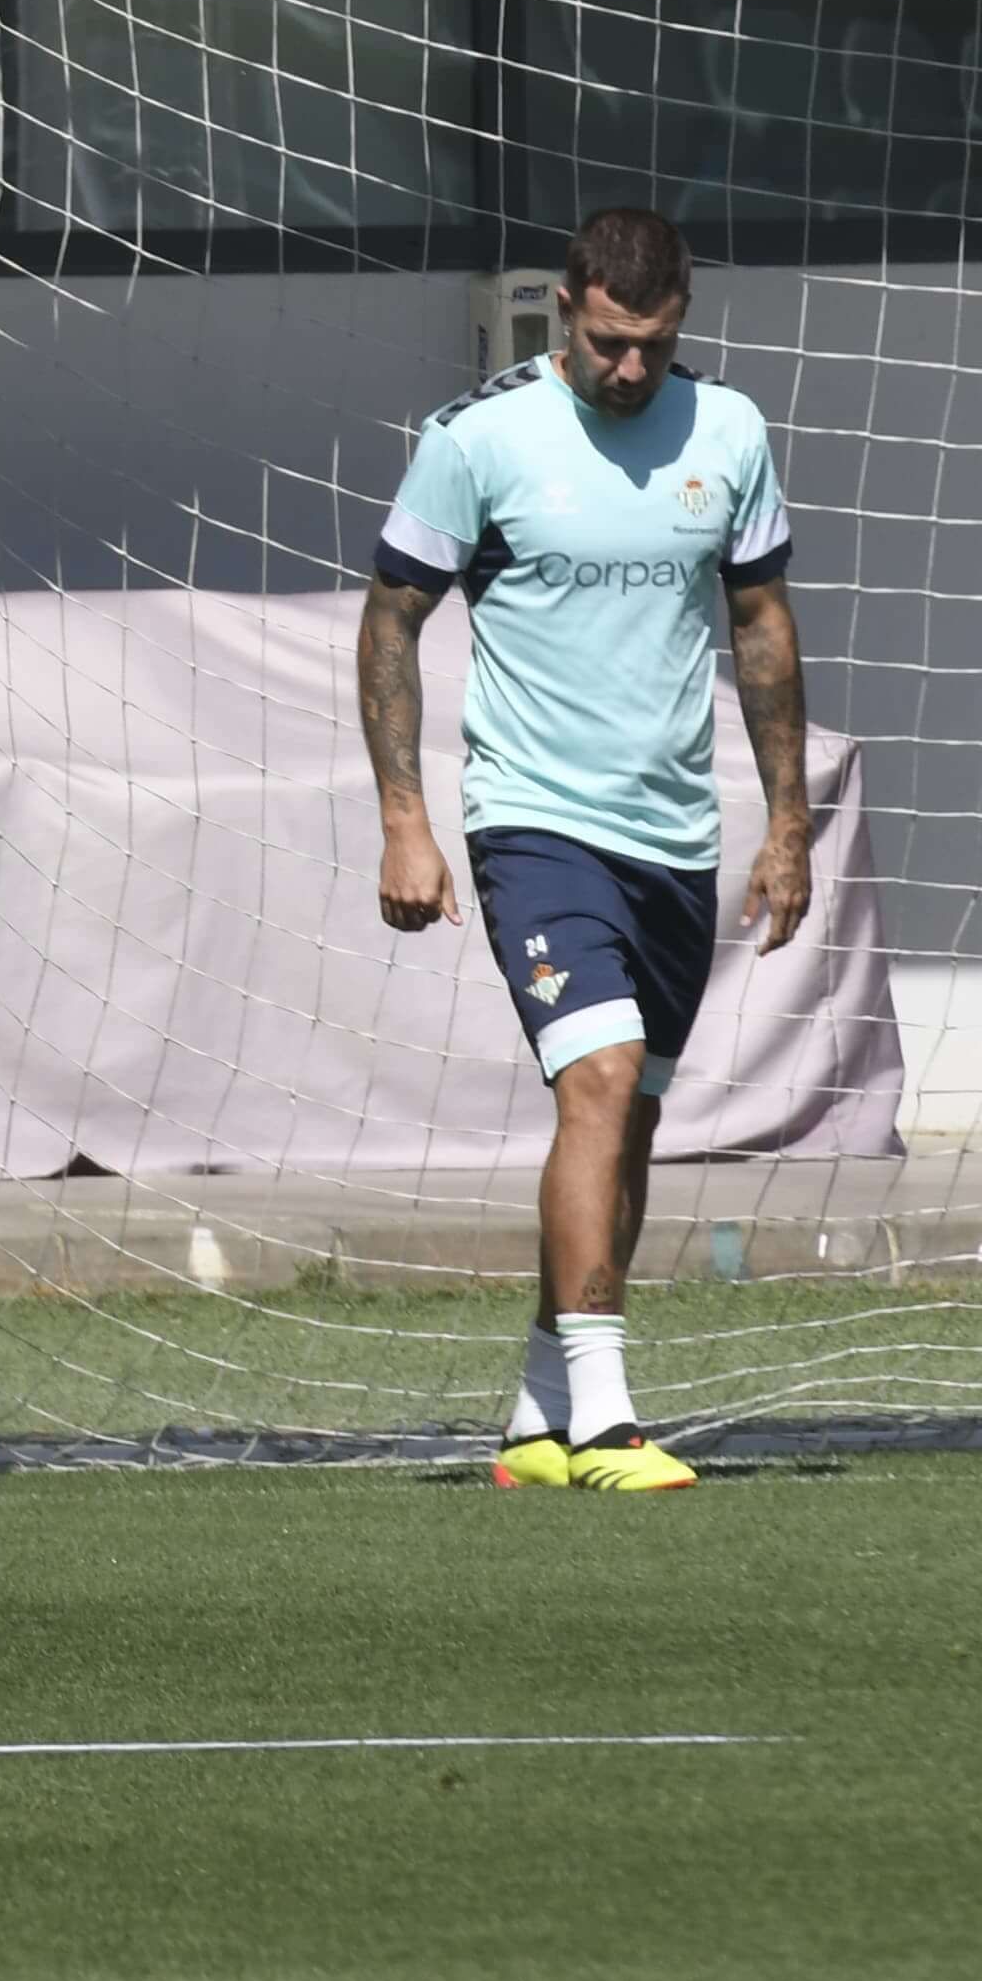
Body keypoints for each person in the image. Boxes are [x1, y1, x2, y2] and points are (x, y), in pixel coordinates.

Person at [362, 203, 804, 1497]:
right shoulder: (478, 440)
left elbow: (762, 621)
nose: (630, 369)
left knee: (635, 1118)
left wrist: (787, 821)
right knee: (600, 1079)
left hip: (675, 833)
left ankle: (540, 1414)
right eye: (610, 343)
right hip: (534, 823)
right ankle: (610, 1420)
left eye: (654, 347)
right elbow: (391, 622)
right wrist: (407, 819)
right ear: (566, 307)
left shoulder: (729, 433)